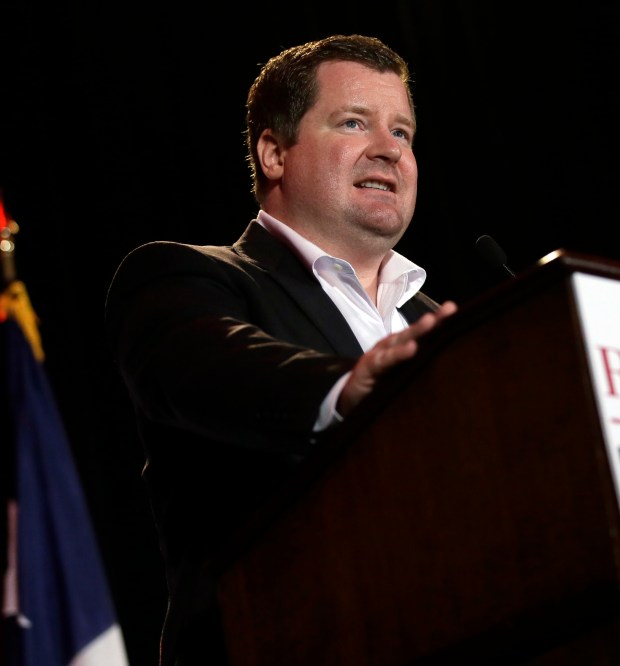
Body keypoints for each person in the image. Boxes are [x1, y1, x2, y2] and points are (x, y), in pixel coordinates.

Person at [104, 34, 457, 666]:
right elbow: (219, 367)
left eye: (402, 133)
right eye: (354, 122)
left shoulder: (444, 324)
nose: (389, 150)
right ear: (273, 152)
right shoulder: (185, 280)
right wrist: (343, 388)